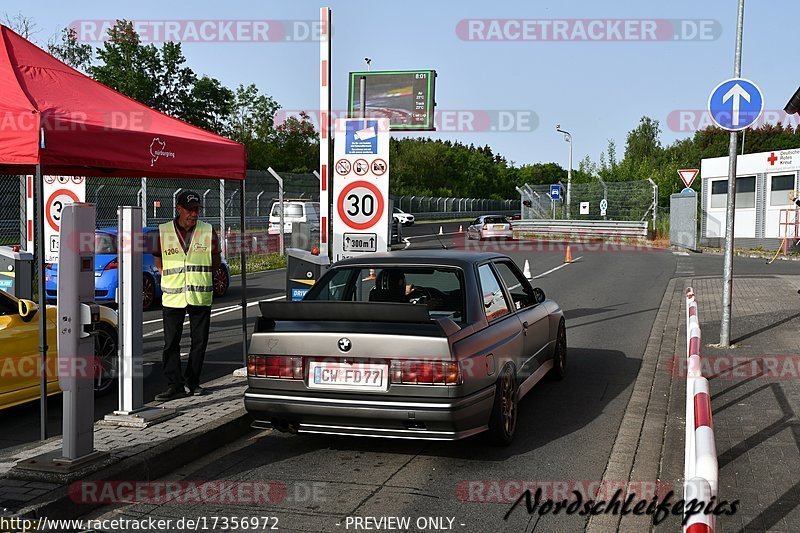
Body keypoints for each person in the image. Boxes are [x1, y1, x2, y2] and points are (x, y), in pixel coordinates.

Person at [153, 190, 221, 400]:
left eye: (197, 210)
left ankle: (194, 382)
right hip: (173, 297)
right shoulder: (163, 231)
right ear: (179, 209)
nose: (194, 214)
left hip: (200, 295)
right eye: (190, 210)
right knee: (170, 343)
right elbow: (158, 259)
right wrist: (170, 277)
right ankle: (175, 386)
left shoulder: (208, 230)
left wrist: (200, 277)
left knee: (199, 342)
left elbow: (216, 261)